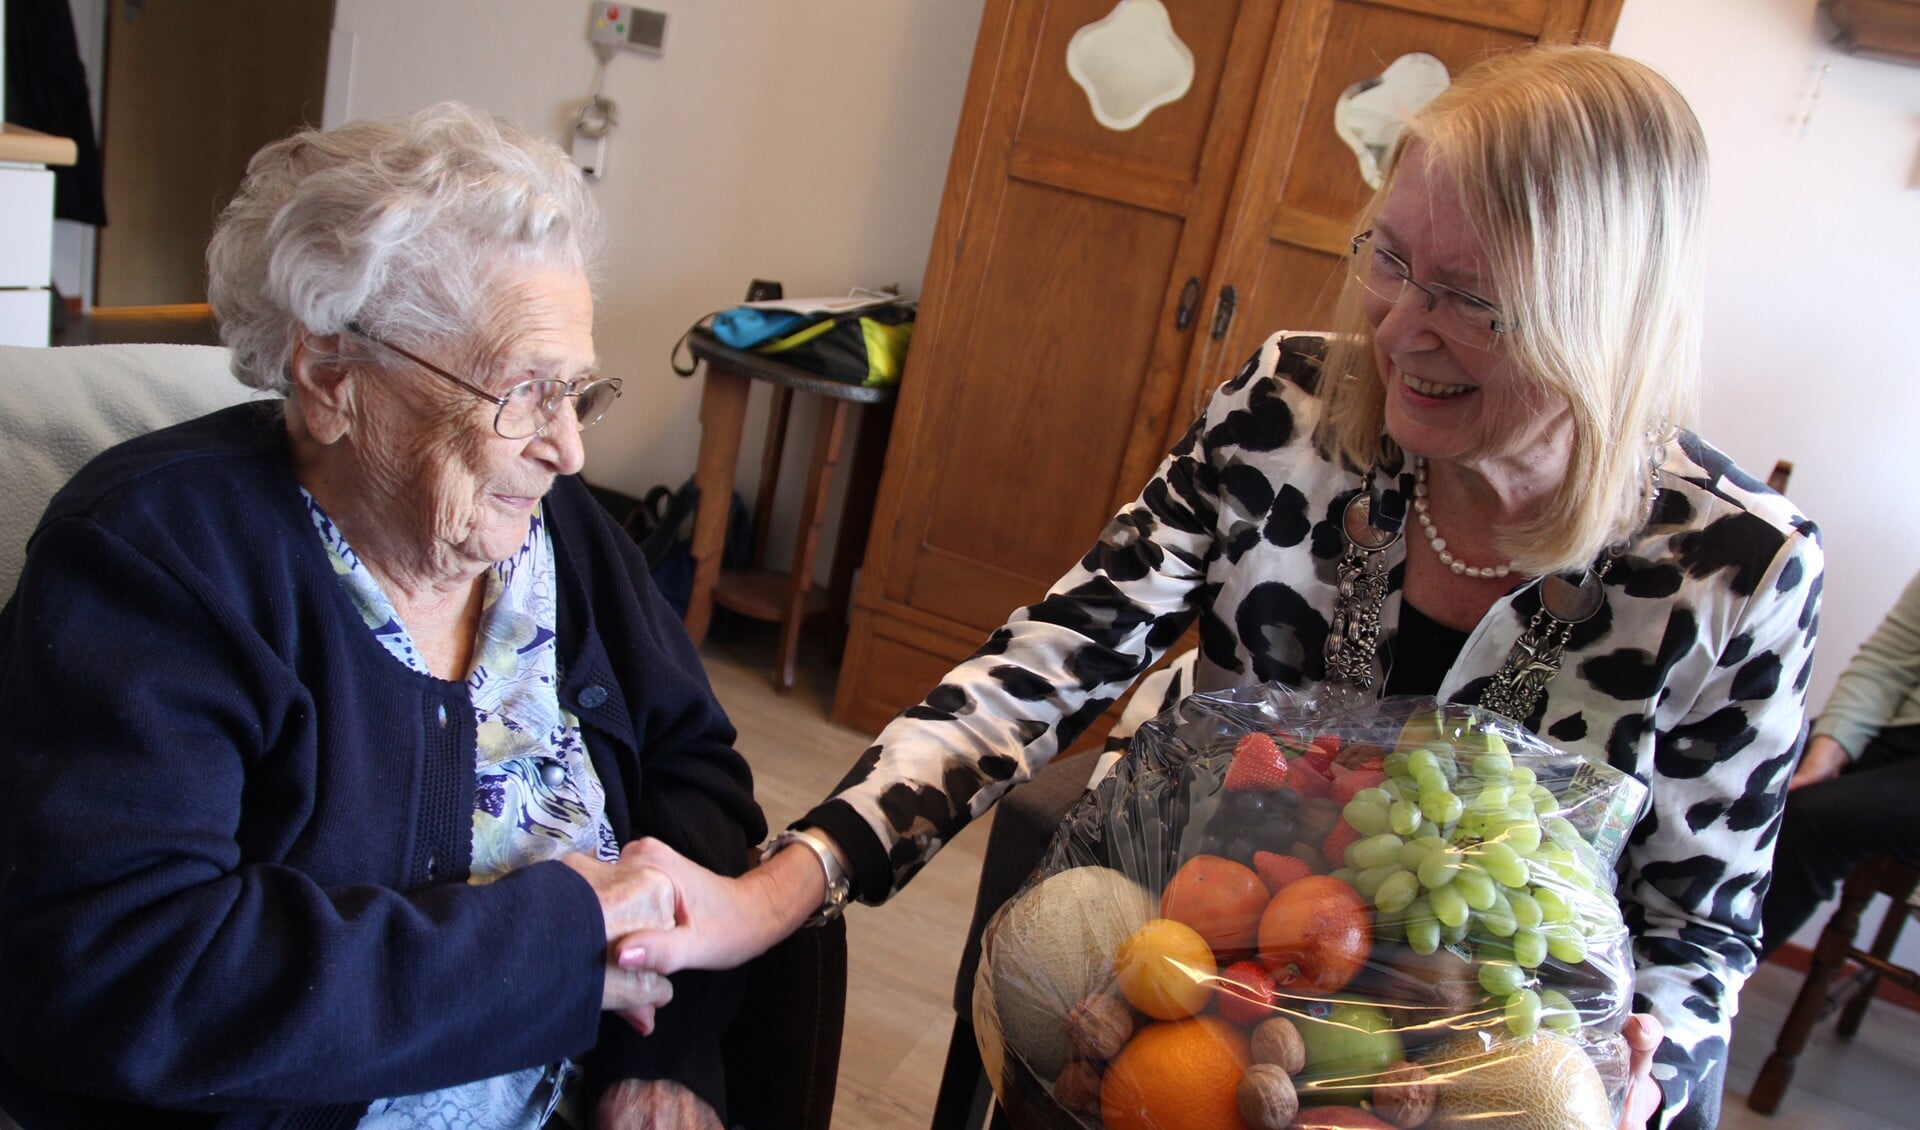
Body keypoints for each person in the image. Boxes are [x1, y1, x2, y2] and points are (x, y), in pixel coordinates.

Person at [619, 45, 1823, 1130]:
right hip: (1186, 961)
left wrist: (1646, 1068)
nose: (1401, 326)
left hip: (1465, 1066)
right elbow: (1053, 659)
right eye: (1389, 259)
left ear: (1599, 318)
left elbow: (1697, 925)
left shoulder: (1736, 568)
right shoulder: (1289, 407)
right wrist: (782, 884)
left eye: (1467, 299)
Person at [0, 104, 761, 1129]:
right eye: (526, 391)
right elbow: (122, 969)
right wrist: (559, 942)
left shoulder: (557, 531)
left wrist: (668, 1054)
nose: (570, 449)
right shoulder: (157, 560)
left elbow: (696, 772)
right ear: (332, 380)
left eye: (580, 391)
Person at [1761, 569, 1920, 957]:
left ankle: (1703, 980)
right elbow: (1885, 664)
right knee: (1750, 764)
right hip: (1897, 732)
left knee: (1812, 816)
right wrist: (1828, 751)